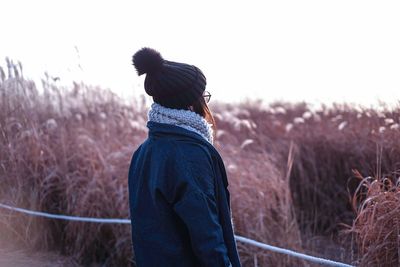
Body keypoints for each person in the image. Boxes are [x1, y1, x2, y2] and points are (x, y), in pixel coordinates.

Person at [128, 47, 241, 267]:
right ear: (191, 102)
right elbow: (207, 236)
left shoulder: (142, 153)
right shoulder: (190, 156)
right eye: (204, 96)